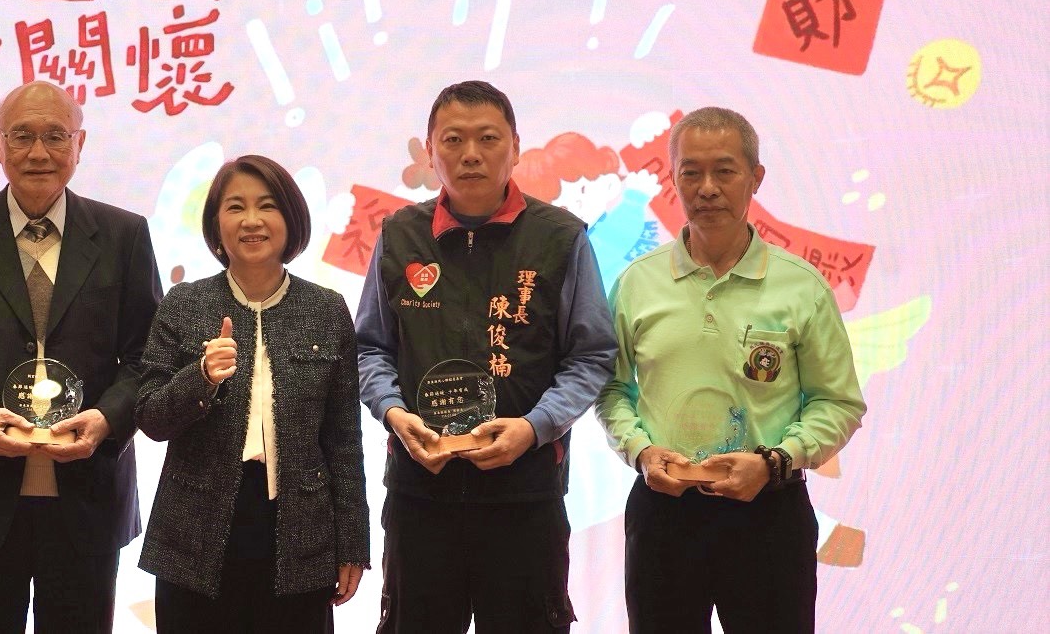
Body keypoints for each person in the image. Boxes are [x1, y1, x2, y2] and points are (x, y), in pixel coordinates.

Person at [356, 80, 618, 633]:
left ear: (515, 148)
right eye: (453, 140)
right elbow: (371, 348)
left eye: (488, 138)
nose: (470, 154)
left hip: (524, 494)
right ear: (430, 153)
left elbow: (591, 355)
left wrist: (536, 427)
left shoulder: (560, 237)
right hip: (420, 492)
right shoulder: (400, 236)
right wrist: (394, 414)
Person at [595, 107, 866, 633]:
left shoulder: (801, 286)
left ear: (755, 178)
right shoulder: (636, 283)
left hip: (769, 511)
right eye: (691, 173)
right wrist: (641, 450)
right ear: (674, 180)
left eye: (725, 171)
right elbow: (610, 389)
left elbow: (838, 403)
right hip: (664, 512)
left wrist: (777, 461)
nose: (707, 188)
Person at [0, 81, 162, 633]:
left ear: (80, 144)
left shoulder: (124, 235)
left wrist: (106, 419)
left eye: (56, 136)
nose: (39, 153)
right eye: (22, 136)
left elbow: (149, 356)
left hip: (88, 499)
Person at [136, 154, 369, 632]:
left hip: (299, 527)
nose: (251, 220)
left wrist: (352, 544)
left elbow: (343, 439)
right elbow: (150, 417)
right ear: (216, 224)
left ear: (291, 218)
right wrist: (202, 376)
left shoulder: (327, 309)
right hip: (194, 529)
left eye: (267, 206)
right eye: (235, 207)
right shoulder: (185, 303)